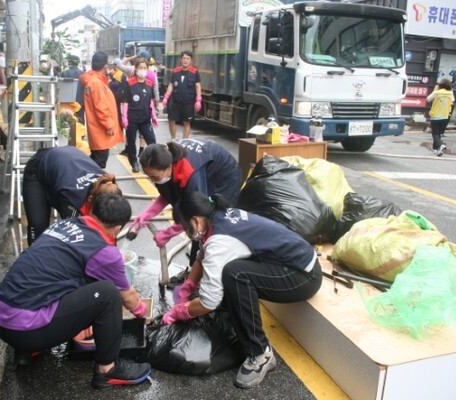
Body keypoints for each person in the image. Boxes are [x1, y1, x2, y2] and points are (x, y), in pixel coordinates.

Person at [0, 193, 151, 390]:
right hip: (28, 330)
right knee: (108, 294)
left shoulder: (64, 225)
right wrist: (145, 315)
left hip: (0, 320)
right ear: (117, 228)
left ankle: (26, 351)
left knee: (67, 280)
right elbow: (130, 299)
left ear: (93, 211)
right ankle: (107, 371)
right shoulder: (104, 252)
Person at [163, 191, 322, 389]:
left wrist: (180, 311)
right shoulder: (218, 216)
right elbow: (202, 256)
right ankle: (236, 315)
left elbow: (208, 302)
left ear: (195, 220)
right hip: (294, 261)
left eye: (186, 227)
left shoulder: (220, 239)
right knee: (229, 271)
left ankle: (260, 353)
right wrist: (188, 286)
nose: (187, 232)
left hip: (302, 276)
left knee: (235, 274)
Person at [130, 139, 241, 282]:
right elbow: (167, 194)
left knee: (208, 227)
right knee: (196, 228)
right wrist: (146, 215)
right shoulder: (164, 159)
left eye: (154, 177)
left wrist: (168, 233)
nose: (152, 180)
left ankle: (211, 277)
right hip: (201, 170)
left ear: (169, 167)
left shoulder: (190, 174)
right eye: (149, 176)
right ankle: (193, 271)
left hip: (224, 178)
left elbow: (197, 213)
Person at [22, 146, 121, 246]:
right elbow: (74, 242)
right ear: (90, 200)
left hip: (66, 166)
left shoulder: (108, 186)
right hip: (39, 168)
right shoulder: (73, 202)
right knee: (38, 225)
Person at [80, 51, 124, 168]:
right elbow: (101, 108)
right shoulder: (96, 83)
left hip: (97, 129)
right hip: (100, 131)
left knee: (96, 161)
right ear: (105, 66)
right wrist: (109, 125)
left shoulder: (94, 81)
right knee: (98, 164)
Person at [121, 57, 158, 173]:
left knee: (152, 141)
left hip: (145, 119)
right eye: (140, 68)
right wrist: (124, 117)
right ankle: (134, 163)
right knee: (131, 142)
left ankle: (151, 162)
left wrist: (154, 116)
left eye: (144, 68)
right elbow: (125, 102)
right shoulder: (129, 83)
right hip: (132, 119)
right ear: (135, 69)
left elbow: (150, 101)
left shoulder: (149, 83)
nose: (142, 70)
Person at [162, 50, 202, 140]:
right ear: (181, 59)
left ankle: (185, 141)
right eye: (184, 58)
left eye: (188, 58)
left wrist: (198, 99)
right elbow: (171, 84)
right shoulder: (175, 71)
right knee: (171, 120)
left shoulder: (194, 72)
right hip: (175, 101)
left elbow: (198, 85)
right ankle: (173, 139)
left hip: (188, 102)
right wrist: (166, 97)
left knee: (186, 122)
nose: (185, 60)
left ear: (191, 60)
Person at [427, 79, 454, 157]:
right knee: (439, 133)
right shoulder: (450, 94)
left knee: (435, 134)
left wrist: (435, 90)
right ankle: (436, 149)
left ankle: (441, 145)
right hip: (445, 116)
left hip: (436, 116)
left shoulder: (436, 93)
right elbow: (452, 101)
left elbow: (428, 99)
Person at [61, 55, 85, 123]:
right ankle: (80, 133)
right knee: (80, 121)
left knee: (68, 120)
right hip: (79, 101)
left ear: (70, 62)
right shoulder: (82, 73)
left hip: (68, 101)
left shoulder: (65, 73)